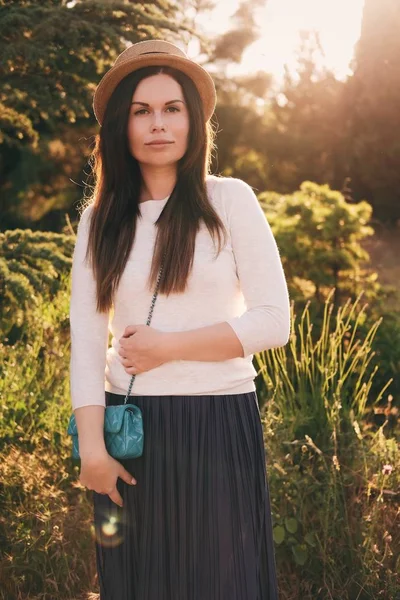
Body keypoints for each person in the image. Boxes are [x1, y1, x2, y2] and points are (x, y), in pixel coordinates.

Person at [69, 38, 290, 600]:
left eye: (173, 109)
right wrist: (93, 451)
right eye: (142, 111)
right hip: (133, 434)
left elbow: (272, 321)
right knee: (143, 584)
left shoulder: (231, 200)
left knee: (224, 583)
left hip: (220, 425)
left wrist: (169, 346)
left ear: (195, 122)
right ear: (121, 125)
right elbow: (88, 344)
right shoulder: (100, 221)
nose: (158, 124)